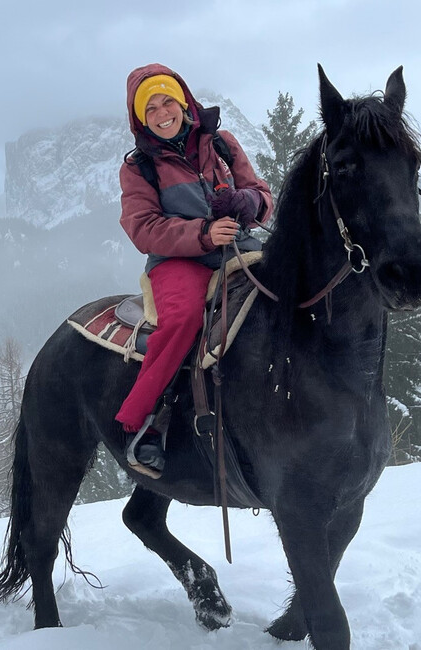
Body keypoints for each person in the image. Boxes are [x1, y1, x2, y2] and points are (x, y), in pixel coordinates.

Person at [115, 63, 274, 478]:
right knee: (183, 319)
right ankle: (148, 423)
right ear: (140, 119)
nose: (162, 113)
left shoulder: (222, 143)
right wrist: (203, 233)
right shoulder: (139, 168)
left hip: (238, 247)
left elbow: (260, 193)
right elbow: (143, 228)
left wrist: (249, 204)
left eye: (167, 101)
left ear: (183, 102)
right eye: (150, 108)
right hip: (178, 261)